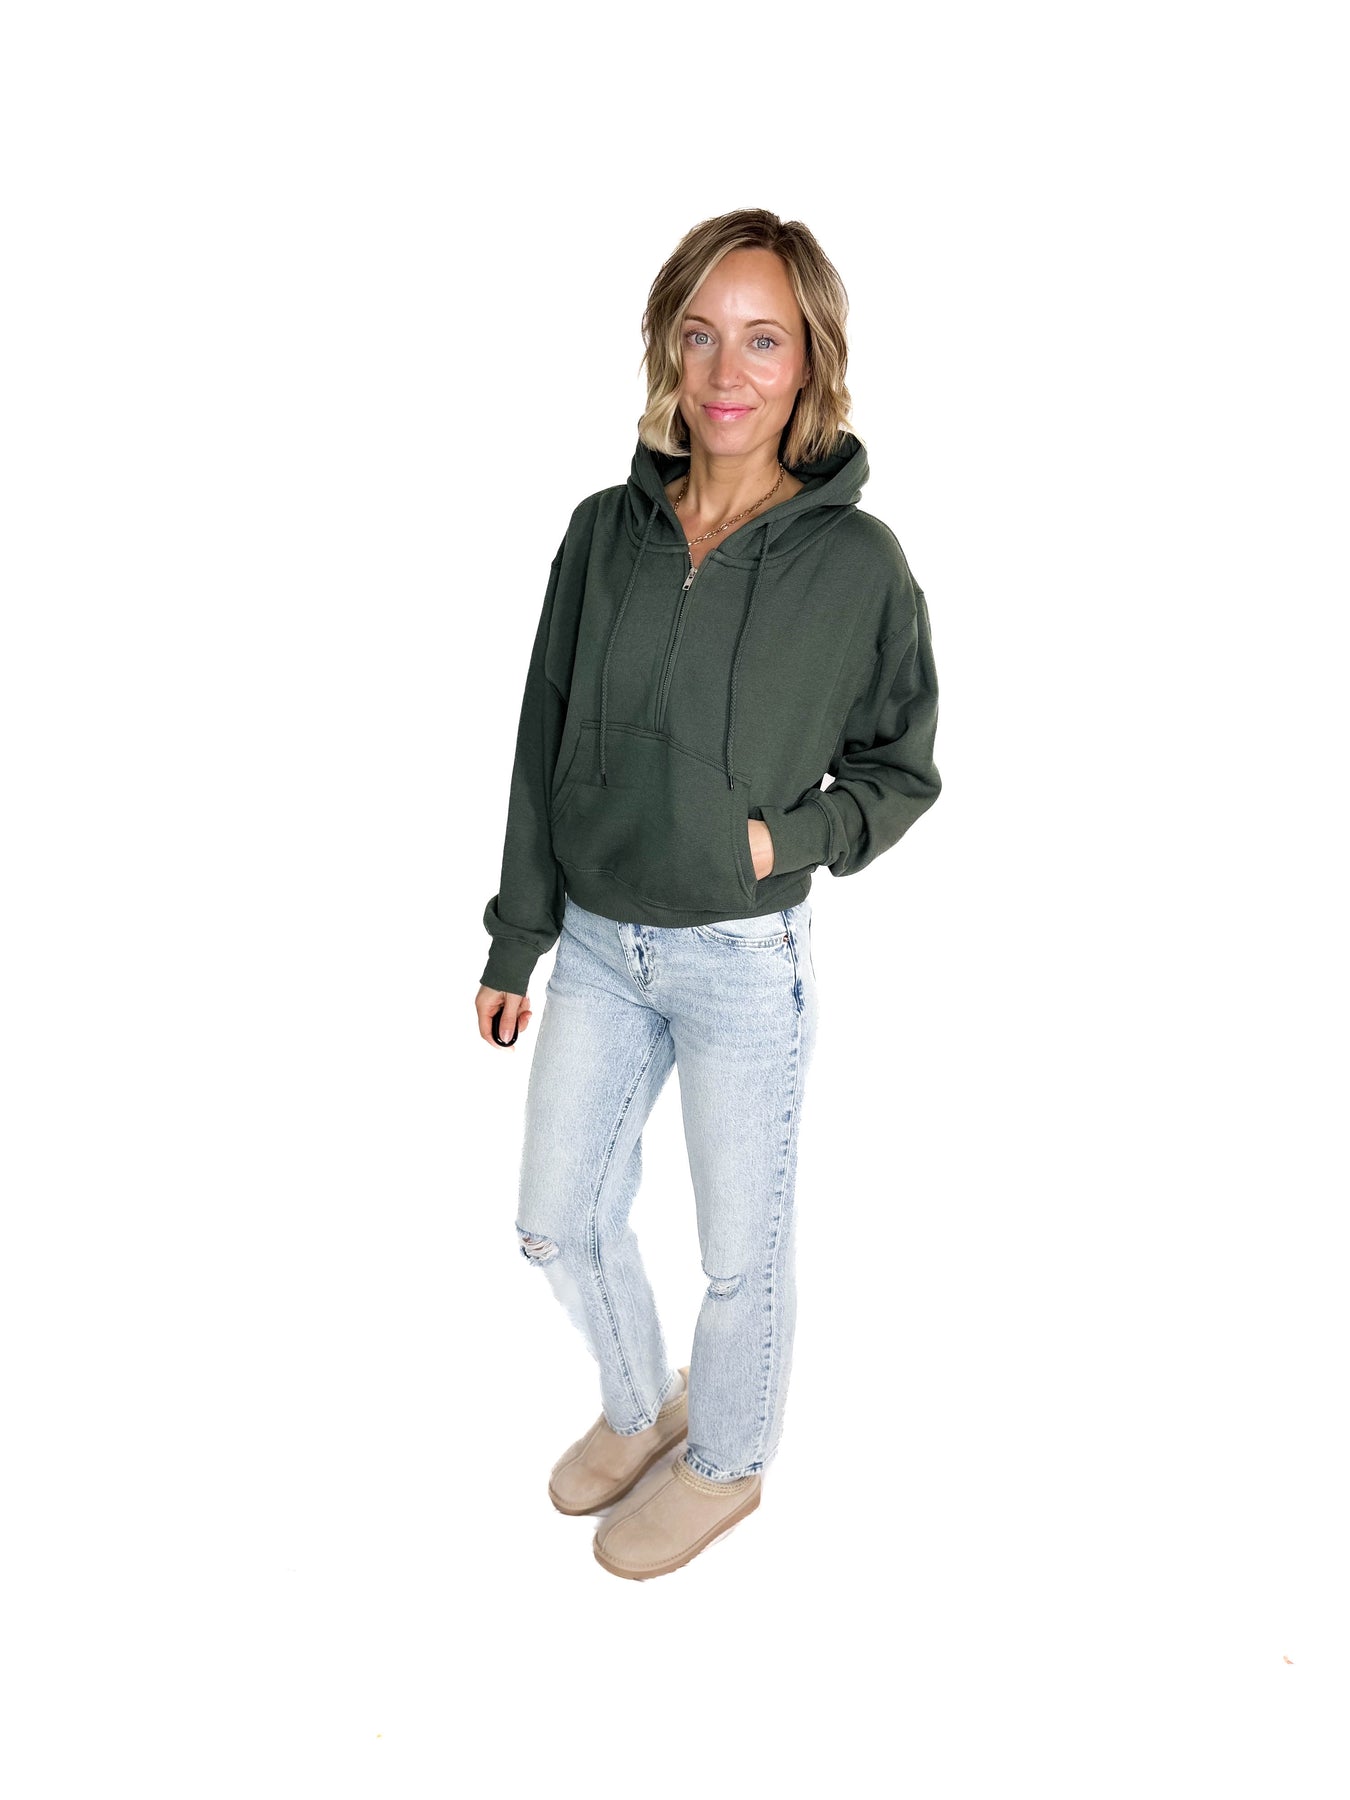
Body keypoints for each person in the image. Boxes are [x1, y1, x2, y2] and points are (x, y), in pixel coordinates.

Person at [475, 208, 941, 1581]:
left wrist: (782, 843)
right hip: (596, 946)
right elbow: (542, 736)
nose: (726, 372)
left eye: (762, 341)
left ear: (810, 365)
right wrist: (516, 936)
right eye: (700, 336)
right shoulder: (600, 534)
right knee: (555, 1221)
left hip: (742, 956)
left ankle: (727, 1462)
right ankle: (646, 1407)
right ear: (666, 351)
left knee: (742, 1253)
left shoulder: (857, 565)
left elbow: (901, 767)